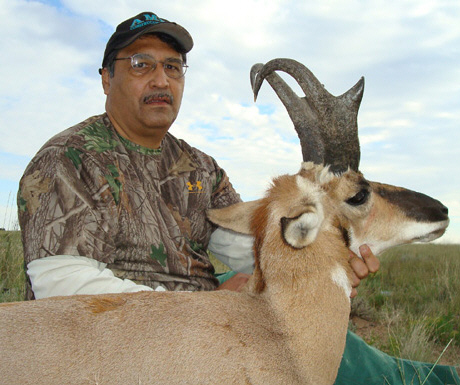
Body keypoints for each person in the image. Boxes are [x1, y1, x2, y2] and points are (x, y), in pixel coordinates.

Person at [17, 12, 459, 385]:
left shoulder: (198, 167)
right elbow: (63, 287)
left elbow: (252, 249)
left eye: (173, 67)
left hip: (221, 330)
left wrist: (325, 263)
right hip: (118, 349)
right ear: (105, 77)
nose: (161, 79)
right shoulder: (67, 160)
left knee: (341, 347)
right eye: (140, 64)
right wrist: (202, 310)